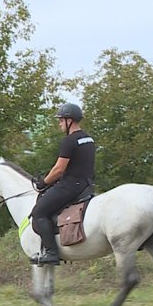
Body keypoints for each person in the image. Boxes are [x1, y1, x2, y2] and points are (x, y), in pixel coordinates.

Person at [30, 103, 96, 265]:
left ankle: (51, 253)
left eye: (60, 120)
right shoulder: (88, 139)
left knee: (38, 213)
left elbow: (59, 169)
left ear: (69, 120)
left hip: (70, 186)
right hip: (86, 184)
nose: (59, 124)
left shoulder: (69, 141)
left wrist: (42, 183)